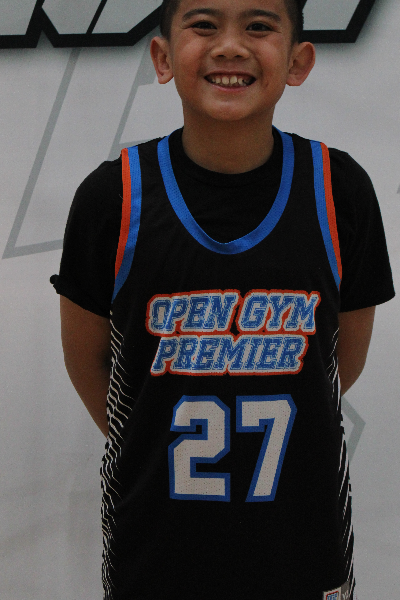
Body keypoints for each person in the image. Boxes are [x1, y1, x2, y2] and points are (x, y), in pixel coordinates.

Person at [51, 0, 394, 598]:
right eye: (204, 25)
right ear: (162, 58)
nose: (231, 46)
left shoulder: (341, 190)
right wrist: (151, 434)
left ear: (298, 61)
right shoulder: (113, 197)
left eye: (259, 26)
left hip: (302, 545)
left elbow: (340, 362)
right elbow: (90, 363)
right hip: (154, 547)